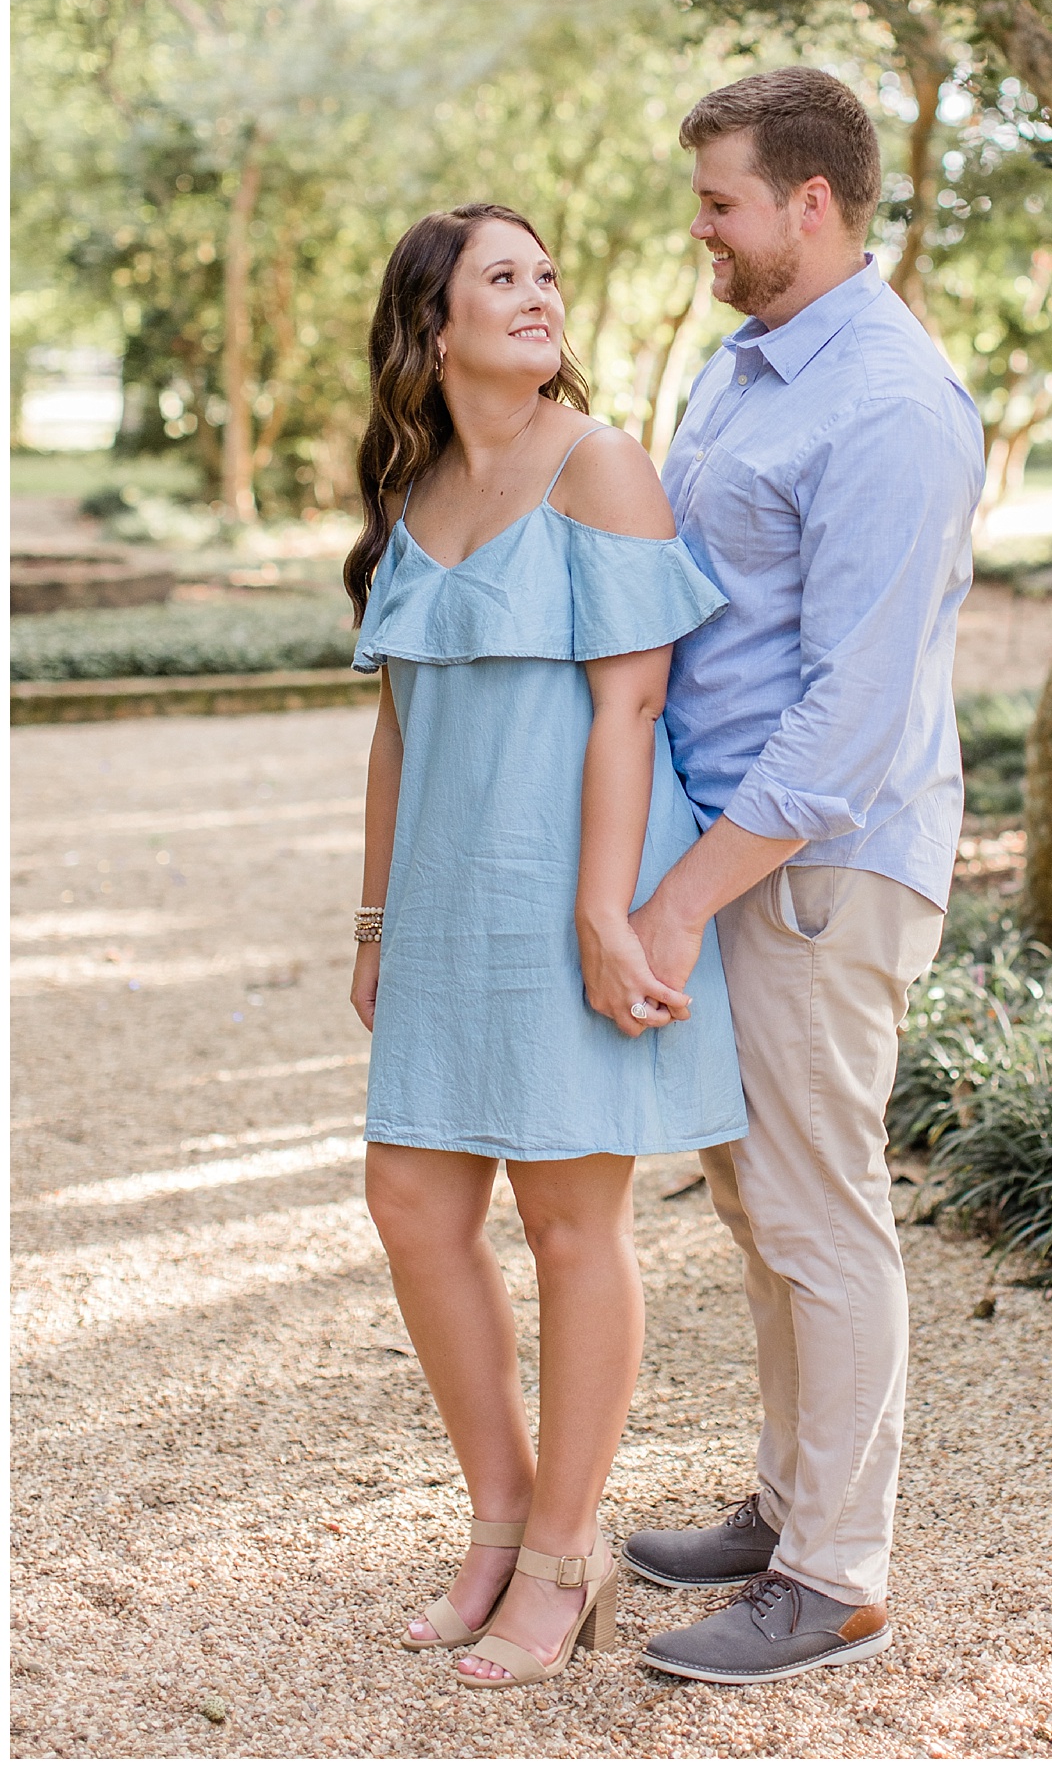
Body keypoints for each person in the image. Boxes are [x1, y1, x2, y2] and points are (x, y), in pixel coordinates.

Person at [343, 202, 746, 1694]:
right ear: (430, 325)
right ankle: (500, 1520)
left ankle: (568, 1559)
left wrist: (602, 909)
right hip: (444, 906)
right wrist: (377, 916)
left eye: (544, 275)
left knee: (573, 1225)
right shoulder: (414, 491)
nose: (536, 297)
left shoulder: (602, 465)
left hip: (568, 883)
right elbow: (395, 733)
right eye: (499, 279)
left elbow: (630, 705)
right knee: (410, 1206)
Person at [620, 69, 986, 1685]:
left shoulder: (893, 406)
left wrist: (683, 896)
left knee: (820, 1212)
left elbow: (848, 712)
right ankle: (786, 1509)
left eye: (720, 202)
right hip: (730, 854)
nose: (698, 227)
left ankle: (834, 1577)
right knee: (757, 1200)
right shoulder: (747, 365)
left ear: (810, 204)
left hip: (818, 870)